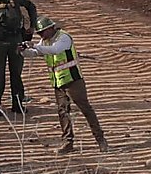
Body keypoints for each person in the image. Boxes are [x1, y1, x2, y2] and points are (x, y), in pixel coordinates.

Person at [26, 17, 108, 153]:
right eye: (39, 33)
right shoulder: (45, 41)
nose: (41, 35)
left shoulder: (63, 38)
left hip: (73, 80)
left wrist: (33, 45)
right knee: (63, 112)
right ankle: (68, 142)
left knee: (85, 109)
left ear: (51, 28)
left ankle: (100, 139)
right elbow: (37, 53)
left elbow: (55, 50)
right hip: (58, 82)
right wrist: (23, 51)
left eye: (42, 32)